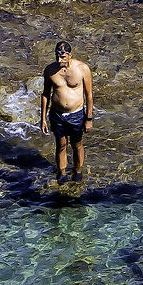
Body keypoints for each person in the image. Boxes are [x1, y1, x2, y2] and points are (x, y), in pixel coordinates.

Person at [45, 41, 95, 182]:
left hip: (76, 114)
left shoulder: (82, 69)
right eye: (57, 56)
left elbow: (89, 95)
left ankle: (78, 170)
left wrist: (89, 119)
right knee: (61, 144)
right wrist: (43, 119)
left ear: (70, 55)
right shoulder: (50, 70)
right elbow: (45, 94)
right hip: (57, 114)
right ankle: (62, 172)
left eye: (63, 57)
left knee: (76, 144)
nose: (59, 60)